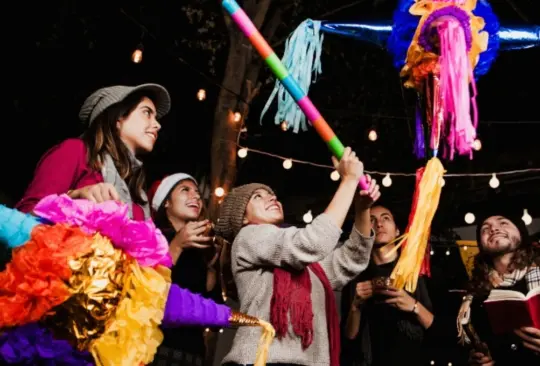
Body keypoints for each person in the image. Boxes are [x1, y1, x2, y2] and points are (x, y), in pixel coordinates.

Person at [215, 148, 379, 366]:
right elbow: (312, 242)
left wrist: (362, 209)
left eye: (272, 194)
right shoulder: (248, 237)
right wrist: (348, 182)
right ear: (242, 218)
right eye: (258, 197)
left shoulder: (304, 263)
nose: (272, 197)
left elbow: (351, 260)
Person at [16, 83, 170, 220]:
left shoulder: (137, 193)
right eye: (147, 112)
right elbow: (23, 217)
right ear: (118, 118)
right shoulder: (76, 151)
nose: (157, 125)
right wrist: (73, 197)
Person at [340, 205, 434, 366]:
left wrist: (413, 305)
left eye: (386, 218)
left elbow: (434, 325)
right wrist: (356, 306)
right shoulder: (356, 276)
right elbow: (349, 337)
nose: (379, 224)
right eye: (371, 220)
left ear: (397, 231)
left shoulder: (416, 272)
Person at [148, 173, 223, 366]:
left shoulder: (201, 251)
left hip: (193, 353)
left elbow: (212, 315)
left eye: (198, 193)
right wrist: (177, 246)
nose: (196, 196)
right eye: (185, 190)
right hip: (154, 348)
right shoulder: (151, 237)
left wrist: (212, 266)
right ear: (166, 203)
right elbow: (146, 291)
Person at [458, 208, 540, 365]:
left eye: (503, 223)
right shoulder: (475, 297)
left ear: (521, 233)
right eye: (485, 228)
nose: (494, 229)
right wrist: (477, 361)